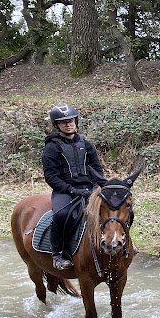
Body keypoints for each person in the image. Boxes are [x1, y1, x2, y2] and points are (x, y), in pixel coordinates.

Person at [42, 104, 107, 271]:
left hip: (90, 188)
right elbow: (51, 177)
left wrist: (95, 187)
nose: (68, 124)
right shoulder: (52, 147)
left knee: (116, 208)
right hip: (65, 191)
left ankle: (124, 244)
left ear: (75, 121)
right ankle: (58, 253)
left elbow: (97, 169)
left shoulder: (86, 144)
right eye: (63, 122)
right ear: (56, 125)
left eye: (70, 120)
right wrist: (71, 190)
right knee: (62, 215)